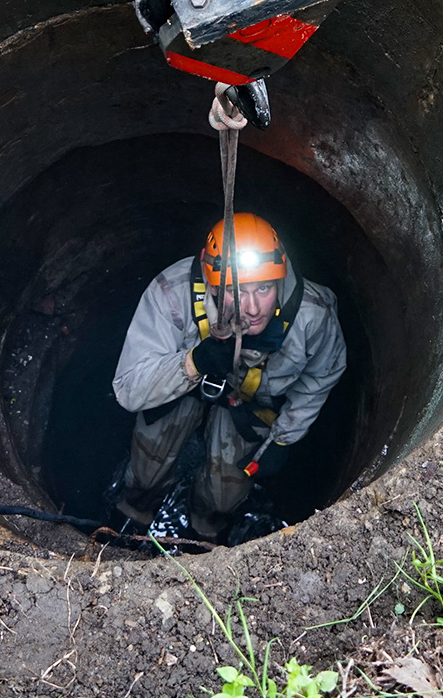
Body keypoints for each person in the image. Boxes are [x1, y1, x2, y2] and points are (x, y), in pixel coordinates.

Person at [110, 213, 347, 541]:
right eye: (236, 291)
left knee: (225, 497)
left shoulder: (312, 315)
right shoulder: (172, 294)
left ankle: (202, 538)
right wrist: (194, 362)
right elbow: (128, 389)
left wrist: (284, 437)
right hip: (182, 384)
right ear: (210, 284)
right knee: (146, 472)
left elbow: (323, 375)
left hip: (246, 404)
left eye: (264, 288)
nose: (252, 309)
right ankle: (134, 517)